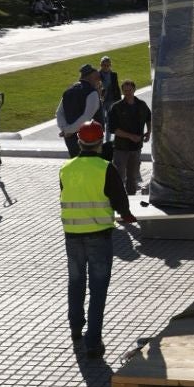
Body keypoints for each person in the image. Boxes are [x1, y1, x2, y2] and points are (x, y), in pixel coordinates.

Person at [59, 120, 136, 357]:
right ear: (100, 142)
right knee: (98, 288)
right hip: (99, 236)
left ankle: (75, 328)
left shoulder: (66, 168)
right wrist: (127, 216)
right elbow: (120, 200)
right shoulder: (106, 168)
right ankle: (93, 342)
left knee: (76, 282)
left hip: (72, 236)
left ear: (80, 142)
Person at [107, 81, 151, 195]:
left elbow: (149, 118)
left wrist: (149, 132)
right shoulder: (116, 107)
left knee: (132, 176)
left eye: (129, 90)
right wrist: (131, 136)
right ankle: (118, 198)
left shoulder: (142, 105)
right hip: (121, 148)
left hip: (136, 148)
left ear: (134, 90)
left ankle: (131, 198)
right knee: (119, 175)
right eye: (125, 91)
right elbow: (113, 129)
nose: (127, 93)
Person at [56, 65, 102, 157]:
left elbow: (59, 113)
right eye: (97, 78)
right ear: (90, 77)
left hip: (69, 138)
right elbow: (86, 117)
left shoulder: (68, 91)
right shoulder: (92, 92)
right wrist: (69, 130)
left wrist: (65, 129)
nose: (99, 81)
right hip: (88, 138)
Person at [98, 56, 121, 159]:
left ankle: (107, 141)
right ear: (101, 65)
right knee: (102, 121)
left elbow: (116, 88)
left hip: (112, 100)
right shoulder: (97, 75)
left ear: (110, 65)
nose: (106, 67)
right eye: (104, 65)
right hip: (102, 102)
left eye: (107, 65)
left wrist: (119, 101)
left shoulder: (113, 75)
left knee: (109, 121)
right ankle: (99, 141)